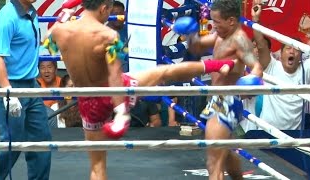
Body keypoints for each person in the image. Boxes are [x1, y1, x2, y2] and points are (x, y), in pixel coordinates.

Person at [45, 1, 237, 179]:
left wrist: (64, 15)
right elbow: (114, 76)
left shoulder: (60, 31)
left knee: (97, 165)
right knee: (164, 72)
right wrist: (121, 112)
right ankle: (219, 64)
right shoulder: (107, 36)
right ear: (103, 8)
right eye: (109, 11)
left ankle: (219, 64)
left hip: (87, 100)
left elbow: (48, 43)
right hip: (113, 93)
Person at [176, 0, 264, 179]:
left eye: (217, 21)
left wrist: (249, 82)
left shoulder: (239, 40)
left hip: (226, 101)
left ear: (231, 20)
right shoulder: (220, 34)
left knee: (213, 163)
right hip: (218, 99)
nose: (213, 25)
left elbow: (257, 67)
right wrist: (191, 35)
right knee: (227, 155)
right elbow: (198, 46)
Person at [0, 0, 52, 179]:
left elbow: (37, 43)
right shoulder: (7, 17)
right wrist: (8, 92)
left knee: (42, 142)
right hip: (11, 86)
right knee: (11, 144)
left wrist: (60, 25)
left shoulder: (31, 12)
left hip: (32, 86)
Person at [251, 1, 310, 130]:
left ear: (301, 55)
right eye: (288, 48)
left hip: (293, 139)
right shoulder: (272, 66)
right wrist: (255, 20)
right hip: (267, 134)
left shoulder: (306, 68)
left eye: (296, 49)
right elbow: (261, 45)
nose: (292, 51)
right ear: (281, 53)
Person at [107, 0, 128, 72]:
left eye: (121, 14)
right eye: (115, 14)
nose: (119, 17)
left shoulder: (129, 28)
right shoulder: (104, 33)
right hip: (115, 70)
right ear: (109, 15)